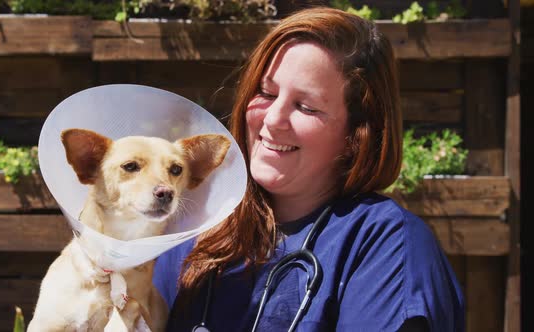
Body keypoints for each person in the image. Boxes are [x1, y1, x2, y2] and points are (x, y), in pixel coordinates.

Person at [152, 7, 464, 332]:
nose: (272, 119)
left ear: (354, 137)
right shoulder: (194, 232)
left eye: (306, 107)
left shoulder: (386, 246)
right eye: (266, 92)